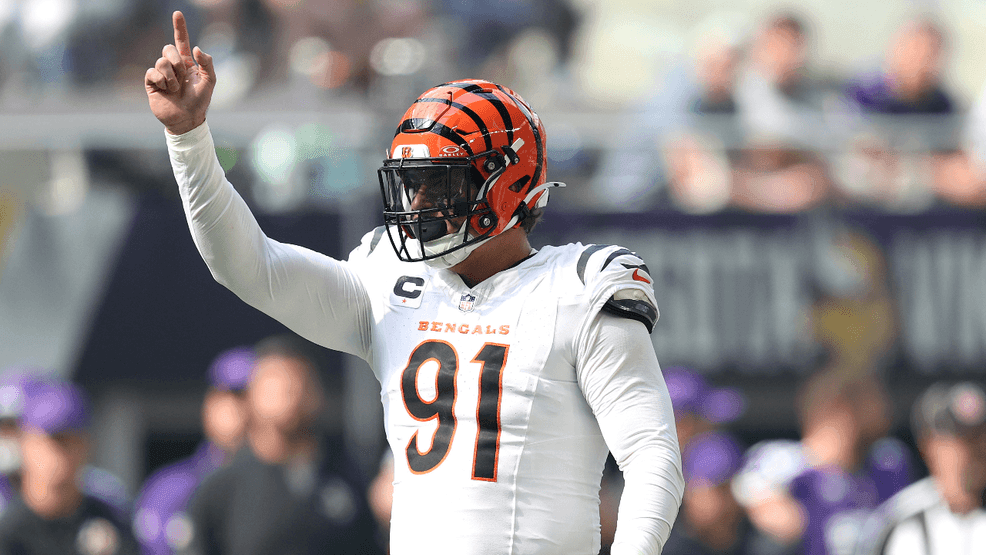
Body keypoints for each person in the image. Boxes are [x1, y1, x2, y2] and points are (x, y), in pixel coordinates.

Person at [145, 10, 683, 554]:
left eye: (438, 184)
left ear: (506, 184)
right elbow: (249, 267)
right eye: (412, 186)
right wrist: (188, 138)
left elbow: (652, 455)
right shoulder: (390, 282)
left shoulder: (579, 288)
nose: (418, 204)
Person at [181, 335, 381, 555]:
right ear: (251, 396)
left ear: (318, 393)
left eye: (299, 382)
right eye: (274, 383)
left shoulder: (351, 481)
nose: (289, 393)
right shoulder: (221, 489)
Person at [731, 371, 913, 555]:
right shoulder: (784, 461)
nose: (883, 414)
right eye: (869, 405)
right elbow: (778, 518)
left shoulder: (885, 463)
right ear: (840, 411)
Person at [132, 347, 254, 555]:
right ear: (209, 404)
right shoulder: (169, 490)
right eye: (226, 395)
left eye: (246, 396)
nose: (236, 407)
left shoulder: (288, 485)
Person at [0, 380, 141, 555]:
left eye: (73, 441)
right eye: (54, 440)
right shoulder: (9, 531)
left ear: (88, 445)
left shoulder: (111, 522)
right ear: (25, 443)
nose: (62, 454)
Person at [853, 381, 986, 555]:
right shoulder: (903, 522)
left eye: (979, 438)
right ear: (930, 446)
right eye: (962, 441)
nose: (975, 451)